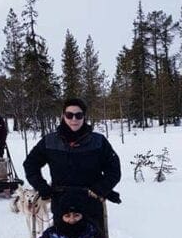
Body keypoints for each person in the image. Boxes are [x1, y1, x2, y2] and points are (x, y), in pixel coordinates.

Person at [22, 97, 121, 229]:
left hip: (90, 201)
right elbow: (30, 164)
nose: (74, 119)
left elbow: (113, 169)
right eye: (69, 115)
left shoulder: (98, 142)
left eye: (78, 115)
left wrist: (101, 188)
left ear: (84, 117)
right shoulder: (50, 141)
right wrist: (42, 187)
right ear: (63, 116)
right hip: (61, 202)